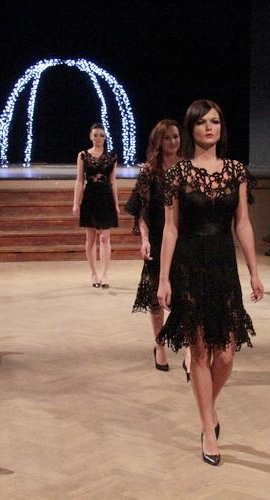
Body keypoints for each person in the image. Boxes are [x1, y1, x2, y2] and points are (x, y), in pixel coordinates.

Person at [157, 99, 263, 466]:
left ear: (221, 127)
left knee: (228, 354)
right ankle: (207, 429)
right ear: (191, 128)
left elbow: (243, 223)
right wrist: (163, 278)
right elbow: (170, 229)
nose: (208, 127)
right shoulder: (178, 173)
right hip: (189, 264)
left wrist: (253, 270)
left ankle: (209, 407)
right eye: (202, 122)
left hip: (223, 265)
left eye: (215, 121)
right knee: (200, 352)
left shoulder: (236, 171)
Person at [126, 119, 182, 372]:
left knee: (185, 294)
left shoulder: (187, 167)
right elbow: (142, 211)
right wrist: (145, 240)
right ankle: (159, 345)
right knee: (155, 296)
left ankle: (189, 349)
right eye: (167, 137)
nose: (172, 142)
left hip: (184, 239)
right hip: (159, 238)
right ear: (158, 140)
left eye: (176, 136)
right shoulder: (149, 171)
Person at [73, 123, 120, 288]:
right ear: (90, 136)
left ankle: (105, 274)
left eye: (101, 135)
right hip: (90, 197)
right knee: (91, 237)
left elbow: (113, 181)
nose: (98, 138)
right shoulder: (83, 155)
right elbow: (80, 180)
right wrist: (75, 202)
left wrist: (116, 203)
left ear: (105, 137)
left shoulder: (112, 156)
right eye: (95, 135)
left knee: (105, 237)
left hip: (106, 197)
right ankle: (94, 274)